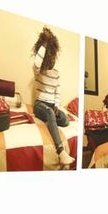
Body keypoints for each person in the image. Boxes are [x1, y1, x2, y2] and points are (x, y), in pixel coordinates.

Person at [30, 27, 75, 168]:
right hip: (40, 105)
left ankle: (50, 120)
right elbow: (37, 62)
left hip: (51, 106)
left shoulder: (56, 73)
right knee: (49, 113)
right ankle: (60, 151)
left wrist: (56, 105)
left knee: (65, 120)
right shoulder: (39, 70)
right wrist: (45, 43)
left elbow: (57, 90)